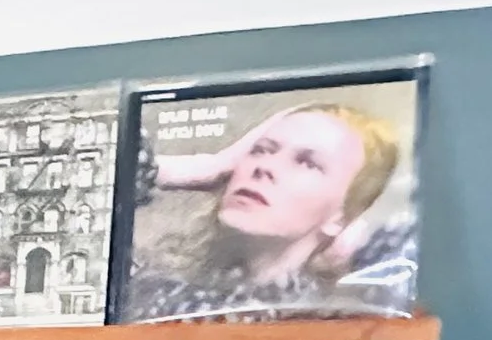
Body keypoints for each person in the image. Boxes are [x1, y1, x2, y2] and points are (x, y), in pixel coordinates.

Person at [123, 99, 410, 320]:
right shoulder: (153, 290)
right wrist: (195, 168)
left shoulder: (326, 321)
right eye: (262, 150)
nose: (265, 167)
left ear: (340, 217)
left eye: (308, 163)